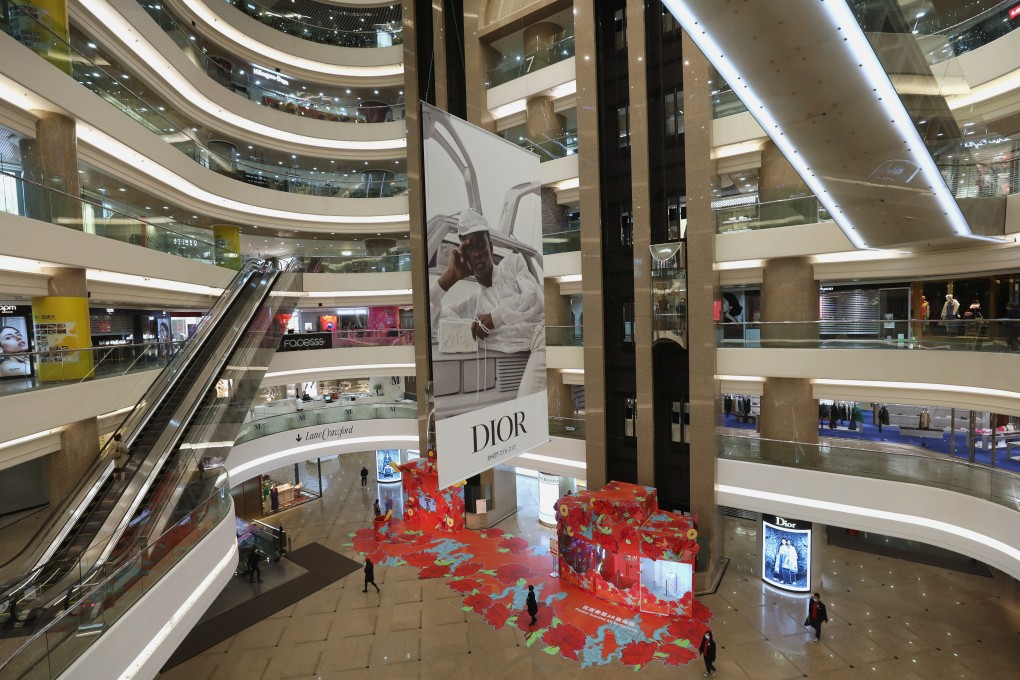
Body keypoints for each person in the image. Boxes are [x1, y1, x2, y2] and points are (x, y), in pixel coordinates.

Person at [430, 209, 546, 398]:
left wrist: (495, 317)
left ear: (490, 247)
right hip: (513, 370)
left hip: (544, 340)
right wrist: (448, 279)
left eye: (480, 244)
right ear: (462, 255)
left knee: (527, 406)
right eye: (468, 248)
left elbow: (534, 297)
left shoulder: (513, 263)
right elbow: (430, 327)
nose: (476, 253)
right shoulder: (472, 304)